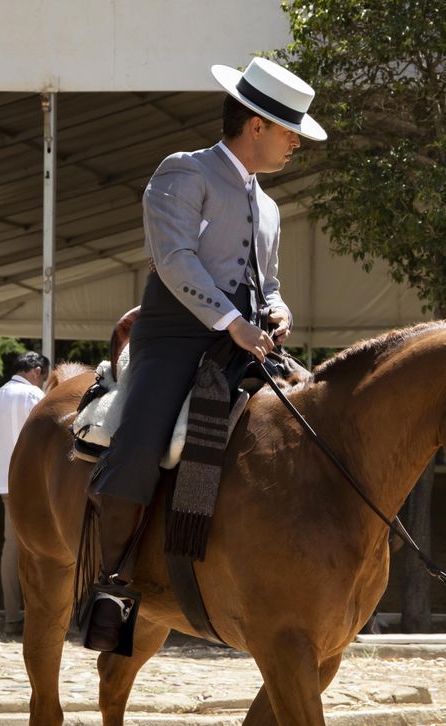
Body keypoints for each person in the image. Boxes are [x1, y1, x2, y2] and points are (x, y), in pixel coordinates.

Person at [82, 56, 326, 652]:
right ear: (257, 125)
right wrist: (232, 322)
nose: (296, 142)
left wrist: (277, 310)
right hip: (175, 336)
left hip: (246, 338)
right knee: (140, 446)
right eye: (290, 130)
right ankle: (111, 587)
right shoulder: (183, 172)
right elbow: (175, 260)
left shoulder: (269, 205)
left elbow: (268, 281)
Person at [0, 351, 50, 634]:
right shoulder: (34, 396)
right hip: (36, 484)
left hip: (6, 484)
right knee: (44, 548)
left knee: (11, 547)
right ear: (36, 371)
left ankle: (12, 616)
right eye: (43, 377)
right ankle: (42, 615)